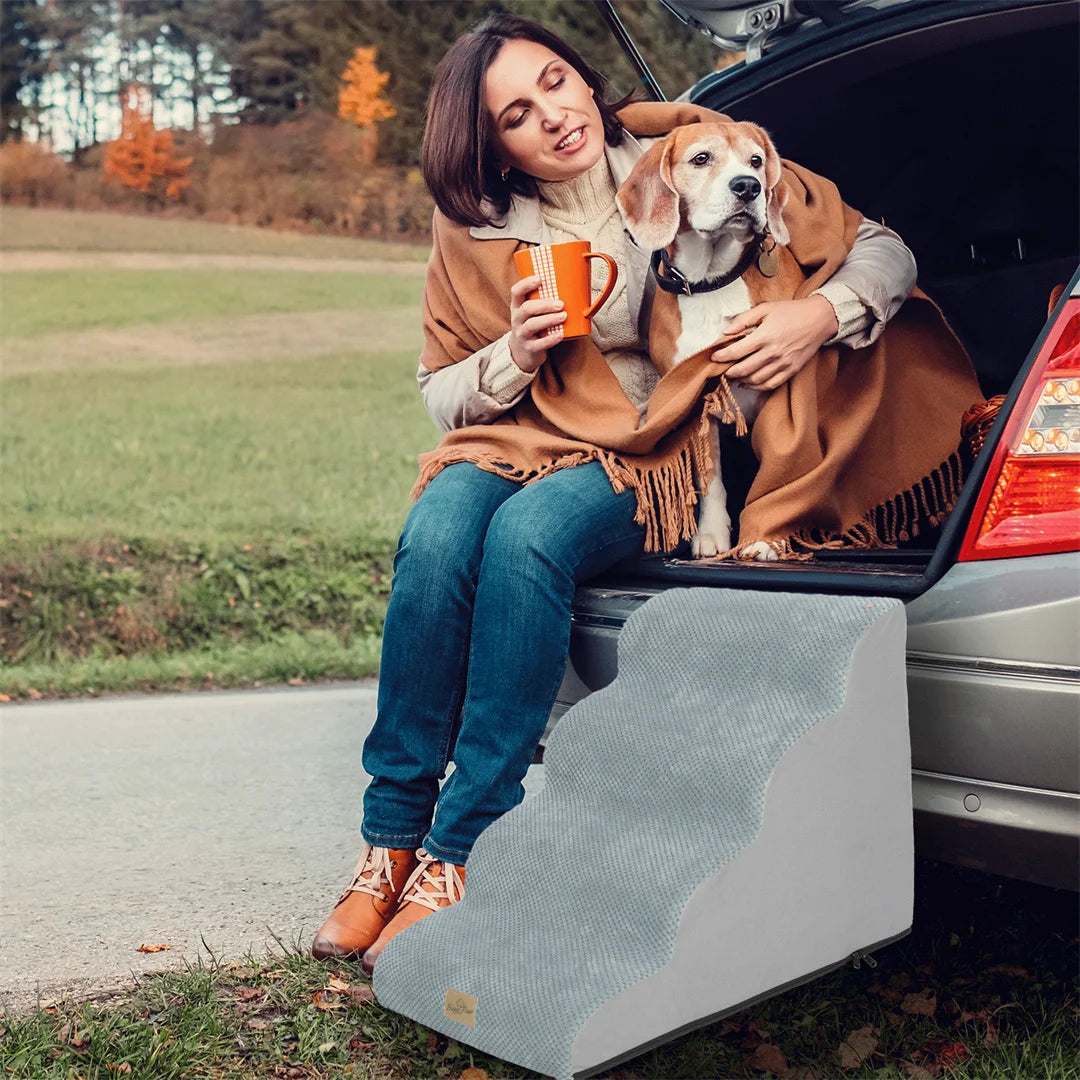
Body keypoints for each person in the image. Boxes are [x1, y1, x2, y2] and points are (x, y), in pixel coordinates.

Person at [311, 13, 976, 974]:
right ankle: (389, 843)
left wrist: (816, 316)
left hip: (653, 445)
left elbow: (882, 249)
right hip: (519, 430)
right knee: (437, 535)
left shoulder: (687, 156)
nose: (550, 116)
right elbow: (440, 392)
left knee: (526, 543)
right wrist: (517, 352)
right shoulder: (476, 228)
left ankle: (465, 848)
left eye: (555, 82)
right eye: (514, 115)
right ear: (490, 142)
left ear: (586, 78)